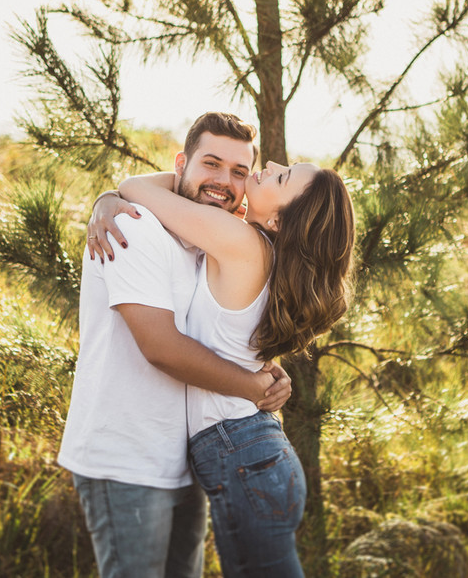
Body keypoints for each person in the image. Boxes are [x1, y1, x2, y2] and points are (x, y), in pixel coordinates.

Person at [90, 120, 356, 577]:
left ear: (278, 219)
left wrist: (108, 199)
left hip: (241, 455)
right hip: (255, 452)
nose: (269, 165)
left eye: (282, 176)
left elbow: (135, 187)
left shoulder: (237, 240)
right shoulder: (269, 254)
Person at [58, 112, 292, 578]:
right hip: (127, 456)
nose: (223, 182)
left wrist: (267, 366)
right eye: (211, 164)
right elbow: (161, 346)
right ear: (181, 164)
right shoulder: (135, 227)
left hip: (188, 457)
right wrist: (250, 386)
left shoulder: (205, 239)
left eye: (239, 172)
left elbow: (218, 329)